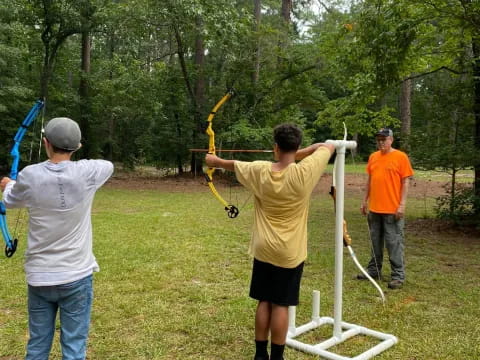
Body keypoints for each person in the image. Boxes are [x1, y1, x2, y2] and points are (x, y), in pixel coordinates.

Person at [205, 123, 334, 360]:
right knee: (281, 304)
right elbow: (327, 147)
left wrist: (214, 161)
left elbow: (230, 165)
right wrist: (306, 150)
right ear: (295, 147)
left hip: (263, 249)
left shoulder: (260, 170)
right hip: (289, 252)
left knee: (264, 300)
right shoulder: (304, 172)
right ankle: (276, 357)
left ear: (276, 147)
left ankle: (259, 355)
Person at [0, 117, 114, 360]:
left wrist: (9, 184)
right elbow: (108, 165)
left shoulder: (30, 175)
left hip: (40, 277)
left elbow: (10, 200)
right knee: (74, 348)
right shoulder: (88, 172)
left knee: (38, 345)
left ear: (45, 143)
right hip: (76, 276)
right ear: (78, 147)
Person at [359, 127, 413, 290]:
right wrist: (364, 201)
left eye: (384, 139)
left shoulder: (400, 157)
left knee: (393, 243)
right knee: (375, 242)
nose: (381, 142)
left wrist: (402, 204)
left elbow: (405, 182)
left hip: (392, 210)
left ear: (391, 140)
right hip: (374, 209)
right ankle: (374, 270)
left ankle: (398, 275)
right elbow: (370, 180)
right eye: (379, 139)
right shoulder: (373, 157)